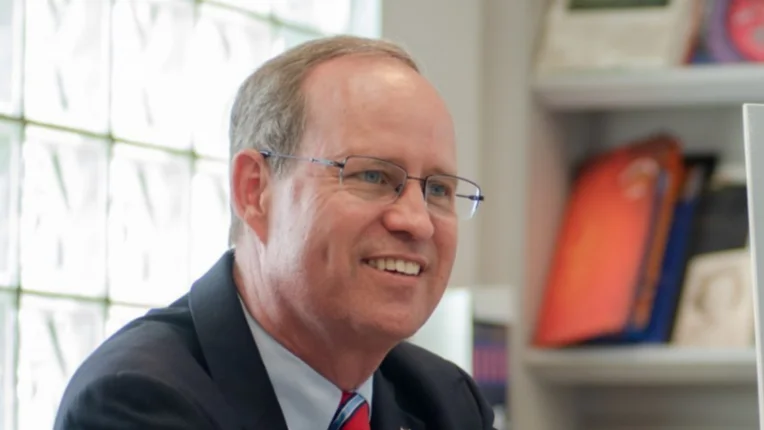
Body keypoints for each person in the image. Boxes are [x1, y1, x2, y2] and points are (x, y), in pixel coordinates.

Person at [54, 34, 494, 430]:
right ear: (255, 190)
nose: (416, 221)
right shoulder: (136, 400)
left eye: (438, 189)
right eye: (373, 176)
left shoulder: (447, 402)